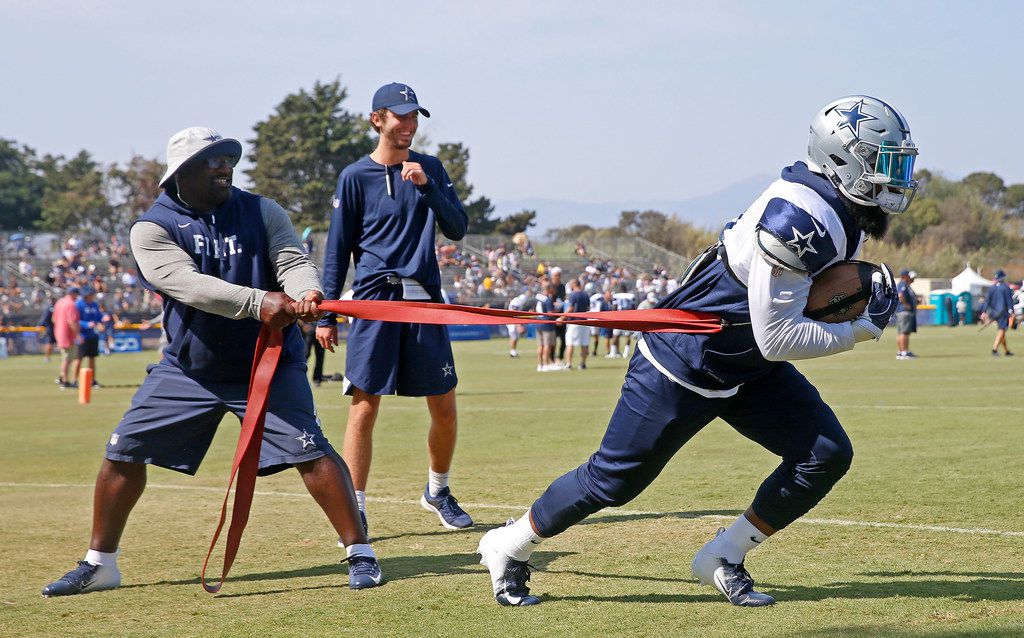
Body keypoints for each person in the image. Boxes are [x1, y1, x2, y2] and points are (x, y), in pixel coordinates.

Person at [477, 95, 915, 607]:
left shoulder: (843, 213)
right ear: (845, 159)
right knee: (611, 482)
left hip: (746, 363)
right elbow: (779, 337)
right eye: (886, 162)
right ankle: (508, 544)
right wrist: (859, 330)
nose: (898, 176)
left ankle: (722, 557)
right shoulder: (800, 217)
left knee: (824, 454)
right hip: (685, 361)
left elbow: (777, 331)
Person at [42, 127, 380, 597]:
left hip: (268, 361)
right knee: (123, 450)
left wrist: (306, 291)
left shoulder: (262, 209)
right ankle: (100, 564)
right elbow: (187, 284)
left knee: (311, 451)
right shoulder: (152, 228)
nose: (226, 166)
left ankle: (360, 552)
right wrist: (259, 301)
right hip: (189, 369)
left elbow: (290, 258)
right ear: (181, 172)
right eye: (213, 160)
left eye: (228, 158)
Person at [316, 83, 473, 536]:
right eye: (400, 116)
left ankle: (437, 491)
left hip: (424, 301)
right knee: (364, 409)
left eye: (414, 117)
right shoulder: (354, 176)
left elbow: (457, 228)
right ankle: (356, 504)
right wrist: (327, 314)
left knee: (444, 406)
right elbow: (338, 250)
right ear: (377, 119)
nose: (409, 125)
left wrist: (428, 189)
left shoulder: (431, 168)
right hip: (373, 303)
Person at [52, 286, 81, 388]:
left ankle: (62, 377)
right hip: (68, 335)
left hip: (59, 333)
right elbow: (71, 322)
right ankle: (64, 380)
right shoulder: (71, 304)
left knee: (66, 357)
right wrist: (78, 335)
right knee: (68, 358)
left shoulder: (60, 302)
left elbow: (54, 319)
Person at [981, 269, 1014, 357]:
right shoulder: (1006, 288)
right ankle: (994, 349)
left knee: (1002, 331)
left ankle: (1007, 351)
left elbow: (987, 301)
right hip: (1003, 312)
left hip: (993, 313)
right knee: (1002, 330)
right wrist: (1011, 310)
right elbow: (1009, 300)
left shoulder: (992, 288)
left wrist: (984, 312)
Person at [559, 279, 591, 369]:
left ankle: (569, 363)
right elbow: (588, 308)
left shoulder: (573, 295)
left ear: (574, 284)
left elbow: (571, 308)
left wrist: (562, 317)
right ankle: (583, 364)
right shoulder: (585, 294)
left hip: (574, 322)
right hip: (585, 322)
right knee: (584, 343)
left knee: (570, 343)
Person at [75, 287, 103, 385]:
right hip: (82, 336)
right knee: (79, 359)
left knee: (92, 358)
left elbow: (99, 318)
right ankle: (76, 380)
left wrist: (101, 322)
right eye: (91, 294)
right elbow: (75, 320)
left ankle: (92, 380)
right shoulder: (79, 305)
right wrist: (86, 324)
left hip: (93, 335)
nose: (92, 296)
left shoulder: (94, 304)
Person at [534, 283, 559, 372]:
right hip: (547, 324)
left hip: (538, 322)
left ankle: (539, 364)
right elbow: (549, 313)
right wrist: (557, 315)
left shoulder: (538, 297)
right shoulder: (548, 299)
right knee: (547, 345)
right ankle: (545, 364)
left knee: (540, 345)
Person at [895, 269, 918, 359]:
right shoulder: (903, 283)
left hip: (902, 312)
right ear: (904, 276)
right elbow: (900, 295)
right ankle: (904, 352)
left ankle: (901, 352)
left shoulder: (904, 284)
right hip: (904, 312)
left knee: (901, 332)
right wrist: (906, 304)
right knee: (904, 332)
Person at [37, 296, 56, 362]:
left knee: (50, 343)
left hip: (51, 328)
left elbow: (44, 318)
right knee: (52, 343)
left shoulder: (50, 308)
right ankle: (47, 357)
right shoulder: (55, 308)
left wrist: (40, 325)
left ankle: (47, 357)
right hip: (54, 328)